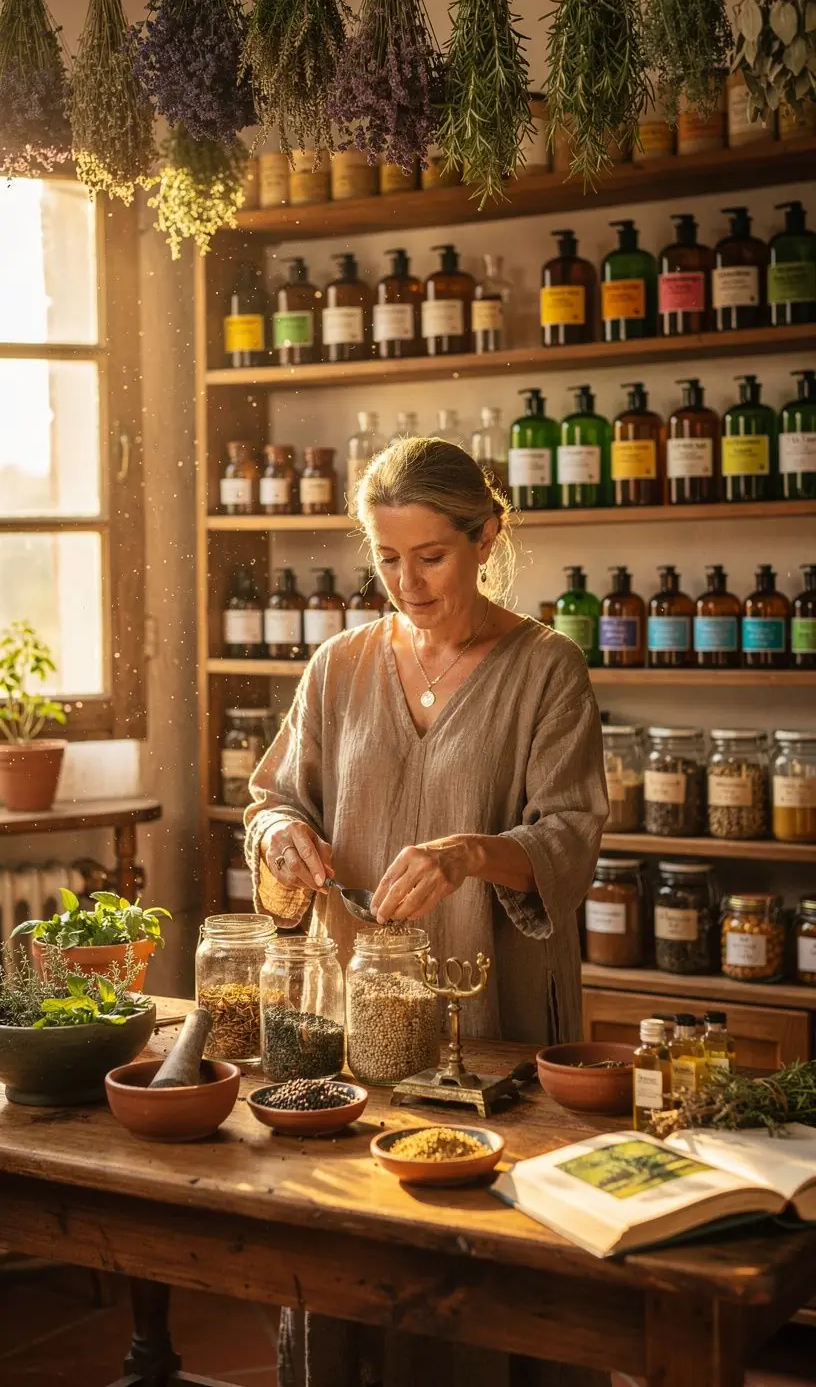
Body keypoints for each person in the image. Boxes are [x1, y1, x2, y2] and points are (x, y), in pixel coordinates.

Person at [245, 436, 609, 1387]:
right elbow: (273, 796)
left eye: (431, 556)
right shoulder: (338, 666)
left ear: (486, 535)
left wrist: (473, 853)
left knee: (492, 1269)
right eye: (387, 558)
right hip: (355, 1019)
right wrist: (279, 836)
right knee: (345, 1247)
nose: (406, 582)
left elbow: (572, 833)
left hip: (494, 1020)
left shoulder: (545, 667)